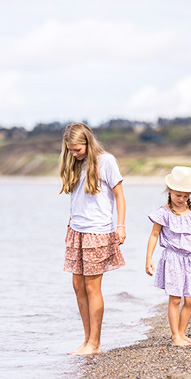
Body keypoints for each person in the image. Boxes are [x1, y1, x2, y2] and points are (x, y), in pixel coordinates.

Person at [59, 122, 126, 355]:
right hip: (76, 230)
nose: (74, 154)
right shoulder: (74, 162)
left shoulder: (106, 161)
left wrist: (121, 226)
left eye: (77, 149)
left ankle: (95, 343)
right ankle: (86, 340)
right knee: (77, 285)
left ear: (88, 142)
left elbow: (119, 195)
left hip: (98, 231)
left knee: (92, 286)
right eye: (70, 150)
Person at [146, 166, 191, 347]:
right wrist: (148, 259)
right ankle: (175, 336)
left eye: (186, 196)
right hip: (172, 258)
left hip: (190, 259)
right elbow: (154, 235)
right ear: (169, 191)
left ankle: (182, 333)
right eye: (178, 195)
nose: (182, 199)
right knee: (175, 298)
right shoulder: (163, 213)